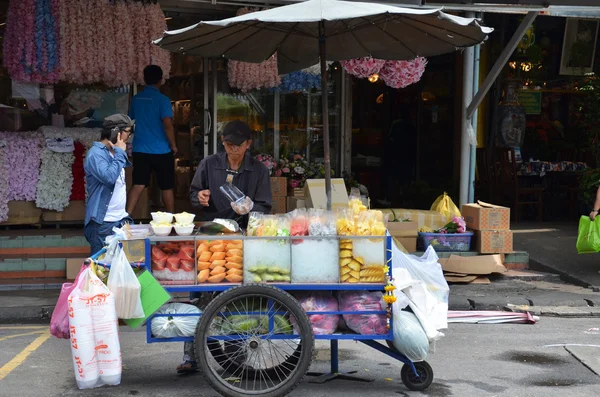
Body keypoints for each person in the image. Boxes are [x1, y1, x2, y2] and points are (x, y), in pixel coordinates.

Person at [176, 120, 272, 373]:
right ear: (222, 142)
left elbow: (266, 207)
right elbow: (194, 194)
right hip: (212, 236)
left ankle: (235, 355)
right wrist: (201, 197)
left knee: (236, 297)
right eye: (229, 144)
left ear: (248, 144)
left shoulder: (258, 170)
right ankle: (191, 356)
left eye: (238, 145)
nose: (233, 150)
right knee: (200, 293)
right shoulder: (210, 164)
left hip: (244, 238)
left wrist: (251, 208)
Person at [127, 65, 177, 215]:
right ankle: (171, 219)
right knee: (166, 186)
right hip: (162, 149)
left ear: (144, 79)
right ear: (161, 80)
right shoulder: (163, 100)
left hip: (140, 148)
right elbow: (168, 125)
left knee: (138, 184)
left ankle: (125, 218)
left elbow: (130, 122)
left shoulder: (136, 99)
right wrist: (173, 145)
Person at [84, 114, 135, 256]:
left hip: (120, 219)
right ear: (115, 132)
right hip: (103, 223)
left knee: (121, 267)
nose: (129, 137)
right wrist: (120, 152)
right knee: (101, 269)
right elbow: (109, 178)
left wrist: (118, 152)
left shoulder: (115, 152)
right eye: (127, 132)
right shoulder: (95, 154)